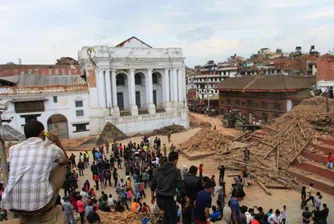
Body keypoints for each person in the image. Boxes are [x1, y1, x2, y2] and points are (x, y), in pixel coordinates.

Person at [0, 120, 69, 219]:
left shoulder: (13, 149)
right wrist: (57, 141)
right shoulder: (52, 148)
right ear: (43, 133)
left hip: (12, 206)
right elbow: (66, 160)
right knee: (61, 166)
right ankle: (50, 208)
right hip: (39, 207)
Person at [151, 152, 189, 224]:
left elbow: (153, 186)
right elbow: (180, 186)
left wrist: (152, 197)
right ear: (176, 161)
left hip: (159, 200)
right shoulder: (176, 171)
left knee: (165, 214)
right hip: (168, 201)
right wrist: (186, 199)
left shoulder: (157, 170)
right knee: (172, 219)